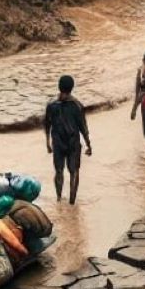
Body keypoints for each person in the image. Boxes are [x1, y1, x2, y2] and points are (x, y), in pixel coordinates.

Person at [44, 75, 91, 204]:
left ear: (59, 87)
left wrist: (47, 143)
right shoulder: (77, 105)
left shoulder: (51, 104)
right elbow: (83, 127)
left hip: (58, 142)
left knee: (59, 171)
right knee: (74, 171)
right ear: (72, 88)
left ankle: (59, 199)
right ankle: (72, 202)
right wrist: (88, 144)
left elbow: (47, 125)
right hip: (73, 143)